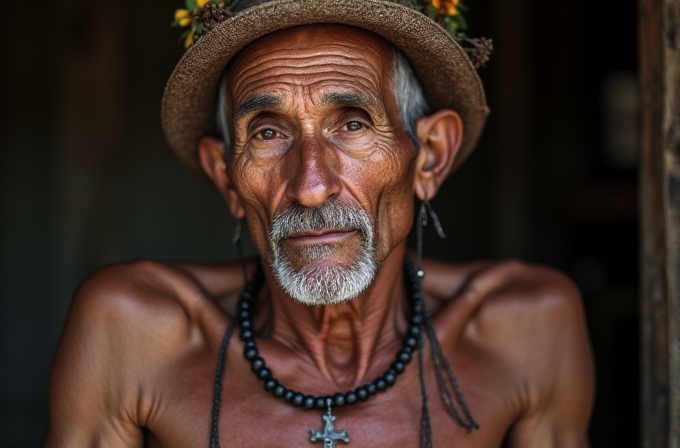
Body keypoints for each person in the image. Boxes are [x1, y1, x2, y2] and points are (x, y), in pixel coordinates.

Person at [43, 0, 594, 447]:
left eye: (352, 124)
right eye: (267, 133)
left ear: (429, 157)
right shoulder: (133, 331)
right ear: (225, 177)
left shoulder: (525, 327)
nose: (310, 185)